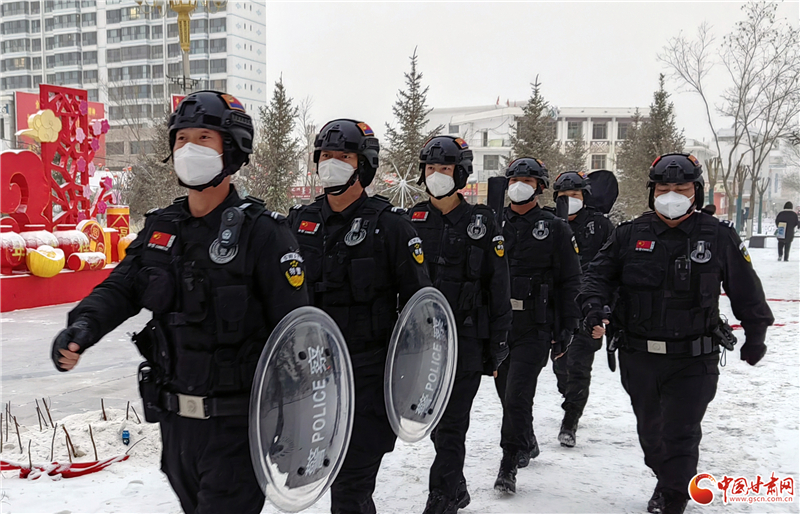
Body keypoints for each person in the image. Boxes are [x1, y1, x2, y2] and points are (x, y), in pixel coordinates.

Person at [51, 91, 309, 514]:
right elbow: (121, 288)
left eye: (204, 138)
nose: (189, 149)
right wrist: (83, 327)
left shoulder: (264, 233)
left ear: (232, 148)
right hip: (176, 427)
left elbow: (297, 338)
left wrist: (298, 429)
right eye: (181, 138)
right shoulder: (162, 228)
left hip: (238, 428)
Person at [579, 153, 774, 514]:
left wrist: (756, 333)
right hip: (639, 357)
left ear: (696, 191)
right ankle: (667, 479)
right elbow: (597, 276)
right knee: (651, 435)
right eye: (663, 188)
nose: (671, 195)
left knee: (681, 433)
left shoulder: (718, 236)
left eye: (681, 188)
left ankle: (673, 498)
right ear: (652, 192)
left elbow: (746, 289)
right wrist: (593, 306)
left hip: (693, 358)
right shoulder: (629, 234)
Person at [286, 119, 431, 514]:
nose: (331, 163)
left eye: (343, 157)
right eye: (326, 156)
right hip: (312, 381)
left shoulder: (392, 227)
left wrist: (410, 385)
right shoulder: (298, 223)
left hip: (367, 380)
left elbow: (421, 314)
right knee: (322, 481)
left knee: (350, 490)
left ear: (363, 165)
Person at [407, 136, 511, 513]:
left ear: (461, 174)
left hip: (465, 339)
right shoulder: (411, 220)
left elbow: (498, 286)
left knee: (452, 423)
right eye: (431, 168)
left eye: (445, 169)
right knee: (435, 422)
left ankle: (443, 498)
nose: (436, 175)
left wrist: (498, 344)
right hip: (422, 342)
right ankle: (457, 484)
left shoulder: (482, 222)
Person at [493, 157, 582, 493]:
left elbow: (570, 281)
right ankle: (526, 440)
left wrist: (567, 327)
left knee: (518, 394)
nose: (519, 186)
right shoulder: (492, 222)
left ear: (540, 187)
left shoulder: (555, 228)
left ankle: (508, 464)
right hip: (499, 325)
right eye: (515, 180)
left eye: (528, 181)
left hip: (535, 325)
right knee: (507, 396)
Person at [550, 171, 614, 448]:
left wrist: (606, 311)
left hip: (588, 307)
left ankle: (570, 421)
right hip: (555, 308)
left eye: (574, 195)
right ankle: (569, 396)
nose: (569, 200)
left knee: (578, 365)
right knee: (561, 367)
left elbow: (613, 269)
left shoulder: (600, 225)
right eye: (564, 196)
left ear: (584, 197)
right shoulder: (549, 222)